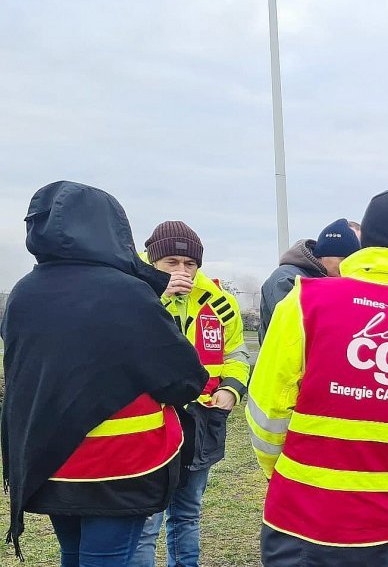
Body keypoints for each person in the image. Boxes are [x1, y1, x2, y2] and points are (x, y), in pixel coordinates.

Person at [247, 187, 388, 566]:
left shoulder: (303, 302)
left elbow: (266, 413)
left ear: (365, 242)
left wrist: (290, 479)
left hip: (307, 524)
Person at [2, 181, 208, 566]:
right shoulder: (127, 292)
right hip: (115, 465)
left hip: (46, 460)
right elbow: (182, 380)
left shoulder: (23, 292)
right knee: (108, 557)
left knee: (73, 554)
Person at [133, 221, 251, 567]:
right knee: (146, 519)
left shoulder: (220, 302)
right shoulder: (134, 294)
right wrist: (159, 296)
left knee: (188, 513)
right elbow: (119, 341)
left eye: (190, 264)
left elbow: (236, 353)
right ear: (153, 263)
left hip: (201, 419)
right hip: (151, 420)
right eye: (171, 262)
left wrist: (231, 389)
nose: (183, 271)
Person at [258, 218, 361, 341]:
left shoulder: (330, 279)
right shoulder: (287, 279)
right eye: (342, 259)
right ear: (324, 253)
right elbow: (301, 329)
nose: (346, 266)